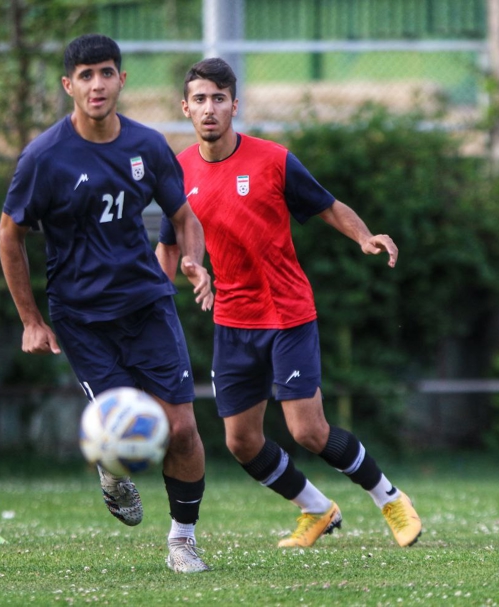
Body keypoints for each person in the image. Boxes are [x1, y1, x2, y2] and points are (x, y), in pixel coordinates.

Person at [157, 58, 422, 549]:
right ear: (185, 108)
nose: (209, 109)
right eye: (199, 99)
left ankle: (390, 498)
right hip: (231, 321)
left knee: (308, 431)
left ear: (235, 105)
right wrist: (171, 281)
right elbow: (173, 241)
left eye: (219, 98)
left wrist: (363, 237)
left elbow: (327, 205)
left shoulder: (273, 160)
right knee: (240, 441)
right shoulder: (178, 170)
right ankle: (317, 510)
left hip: (285, 313)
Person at [0, 34, 214, 573]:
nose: (97, 84)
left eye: (107, 73)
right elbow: (10, 233)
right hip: (83, 319)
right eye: (86, 75)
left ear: (122, 79)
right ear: (69, 85)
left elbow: (185, 217)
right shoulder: (45, 157)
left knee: (182, 429)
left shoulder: (147, 146)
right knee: (124, 427)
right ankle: (113, 468)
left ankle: (182, 541)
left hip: (147, 305)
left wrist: (192, 261)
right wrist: (31, 319)